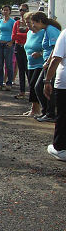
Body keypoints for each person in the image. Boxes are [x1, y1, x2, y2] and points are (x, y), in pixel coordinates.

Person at [31, 12, 62, 123]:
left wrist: (48, 62)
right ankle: (46, 112)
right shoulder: (46, 30)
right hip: (46, 62)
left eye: (34, 23)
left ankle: (50, 113)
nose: (33, 26)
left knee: (45, 88)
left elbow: (55, 49)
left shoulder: (51, 30)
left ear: (39, 21)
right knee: (38, 87)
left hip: (50, 64)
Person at [44, 28, 66, 161]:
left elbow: (56, 58)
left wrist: (47, 80)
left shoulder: (64, 34)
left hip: (64, 83)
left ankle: (60, 147)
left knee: (62, 115)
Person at [24, 12, 45, 117]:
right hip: (30, 63)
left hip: (40, 64)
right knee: (31, 85)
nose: (28, 24)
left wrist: (40, 53)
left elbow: (47, 48)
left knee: (34, 85)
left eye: (30, 22)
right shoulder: (29, 33)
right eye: (26, 22)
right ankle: (34, 108)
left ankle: (37, 109)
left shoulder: (43, 33)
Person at [0, 5, 15, 91]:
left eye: (7, 10)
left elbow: (14, 33)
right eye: (4, 10)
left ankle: (9, 82)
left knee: (8, 64)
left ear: (10, 11)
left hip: (8, 44)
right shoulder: (0, 21)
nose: (5, 12)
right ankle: (0, 82)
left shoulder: (12, 22)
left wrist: (11, 42)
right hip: (0, 43)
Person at [12, 4, 30, 99]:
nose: (22, 12)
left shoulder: (30, 23)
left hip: (27, 47)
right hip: (18, 47)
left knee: (28, 70)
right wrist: (23, 35)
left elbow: (30, 35)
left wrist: (20, 35)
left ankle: (32, 91)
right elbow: (13, 36)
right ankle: (22, 91)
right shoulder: (17, 23)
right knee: (21, 70)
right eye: (21, 10)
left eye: (24, 10)